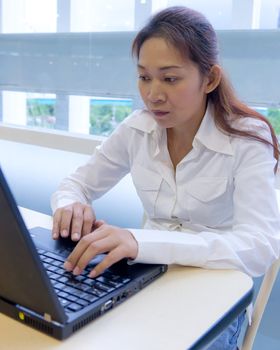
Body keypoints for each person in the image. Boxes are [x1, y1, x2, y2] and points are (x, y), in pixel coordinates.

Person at [51, 6, 280, 349]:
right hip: (145, 282)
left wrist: (143, 243)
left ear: (210, 79)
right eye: (144, 77)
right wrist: (71, 206)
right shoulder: (137, 129)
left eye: (170, 78)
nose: (153, 94)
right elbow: (75, 184)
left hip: (216, 298)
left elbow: (260, 246)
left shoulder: (247, 140)